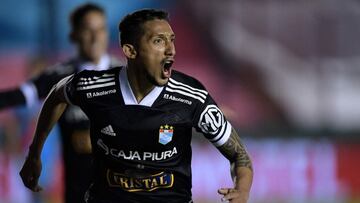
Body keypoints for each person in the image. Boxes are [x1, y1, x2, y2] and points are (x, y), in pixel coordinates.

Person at [20, 9, 253, 203]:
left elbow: (240, 156)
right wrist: (34, 154)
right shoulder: (94, 87)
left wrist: (242, 190)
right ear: (130, 51)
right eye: (158, 41)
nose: (171, 50)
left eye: (172, 40)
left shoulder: (192, 97)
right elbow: (57, 94)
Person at [0, 3, 121, 203]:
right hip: (77, 190)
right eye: (87, 30)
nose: (94, 37)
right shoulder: (59, 76)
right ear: (74, 35)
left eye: (100, 29)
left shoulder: (127, 75)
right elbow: (22, 94)